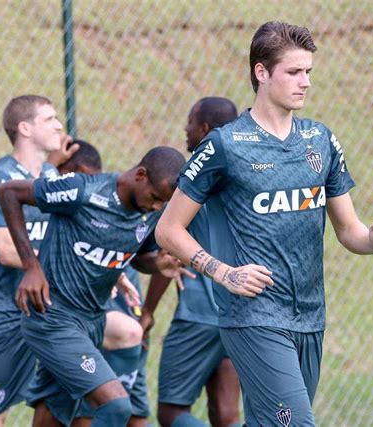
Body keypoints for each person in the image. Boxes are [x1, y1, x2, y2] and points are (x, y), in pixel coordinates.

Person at [155, 21, 373, 426]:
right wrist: (223, 272)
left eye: (308, 72)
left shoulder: (320, 140)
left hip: (310, 316)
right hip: (252, 317)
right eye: (294, 72)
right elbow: (168, 229)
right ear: (261, 72)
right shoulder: (225, 145)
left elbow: (349, 231)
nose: (305, 82)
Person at [0, 146, 187, 427]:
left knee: (52, 416)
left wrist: (158, 266)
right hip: (53, 317)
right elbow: (9, 193)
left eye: (164, 203)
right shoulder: (82, 191)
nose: (157, 206)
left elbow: (136, 259)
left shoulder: (146, 214)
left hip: (91, 323)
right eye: (156, 198)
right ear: (140, 174)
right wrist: (31, 266)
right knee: (117, 406)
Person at [140, 97, 242, 427]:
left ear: (204, 130)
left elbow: (170, 250)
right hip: (241, 309)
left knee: (171, 412)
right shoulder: (246, 176)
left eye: (190, 121)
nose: (185, 128)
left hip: (198, 313)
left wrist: (149, 311)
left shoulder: (192, 180)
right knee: (226, 414)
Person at [0, 95, 76, 427]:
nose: (59, 125)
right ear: (24, 128)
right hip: (7, 312)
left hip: (51, 312)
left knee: (125, 334)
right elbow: (6, 250)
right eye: (49, 119)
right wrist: (62, 267)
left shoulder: (51, 174)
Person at [56, 139, 152, 427]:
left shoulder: (86, 206)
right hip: (126, 323)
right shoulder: (122, 207)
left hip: (108, 322)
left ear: (80, 171)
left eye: (62, 174)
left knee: (102, 407)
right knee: (126, 407)